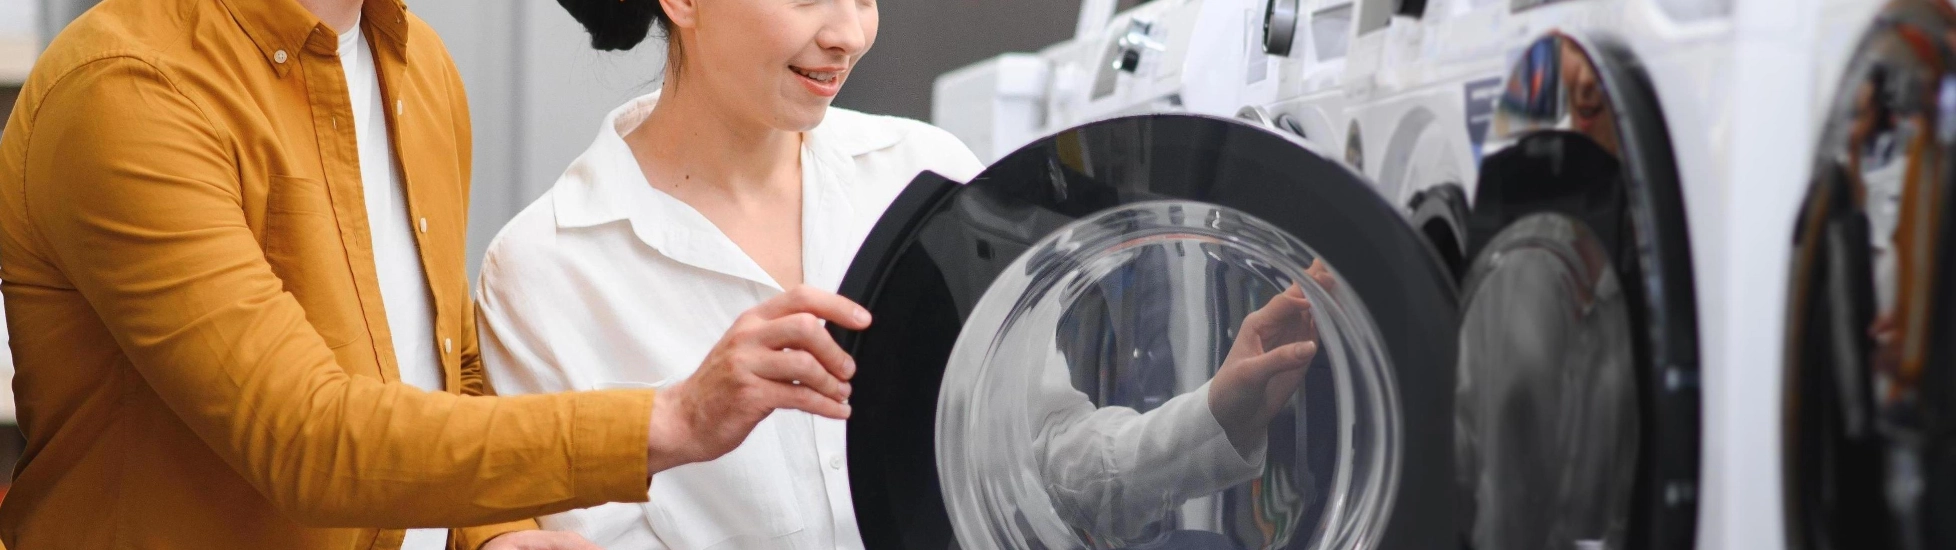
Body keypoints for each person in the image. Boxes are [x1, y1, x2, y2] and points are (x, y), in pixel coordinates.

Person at [0, 0, 865, 547]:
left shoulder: (417, 66)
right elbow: (305, 438)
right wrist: (672, 419)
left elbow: (437, 369)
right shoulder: (131, 88)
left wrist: (494, 536)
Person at [476, 0, 1326, 547]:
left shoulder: (924, 178)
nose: (849, 31)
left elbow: (1043, 479)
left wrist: (1217, 414)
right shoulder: (550, 267)